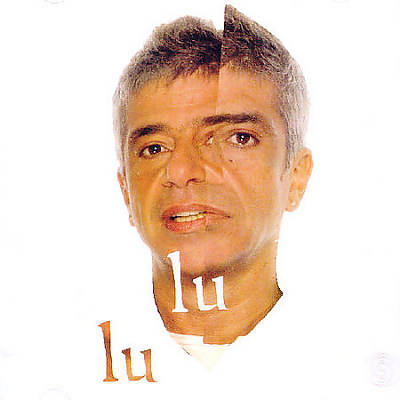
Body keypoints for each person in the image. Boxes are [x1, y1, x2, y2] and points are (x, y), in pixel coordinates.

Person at [112, 4, 313, 375]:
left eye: (237, 138)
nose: (181, 171)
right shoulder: (46, 368)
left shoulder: (362, 368)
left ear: (296, 177)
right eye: (154, 148)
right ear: (126, 191)